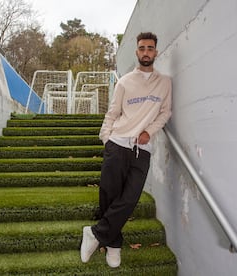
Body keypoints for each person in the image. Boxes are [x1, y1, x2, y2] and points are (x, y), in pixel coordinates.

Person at [80, 32, 172, 268]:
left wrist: (148, 132)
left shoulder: (165, 83)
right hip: (118, 144)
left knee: (130, 199)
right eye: (142, 48)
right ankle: (113, 245)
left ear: (156, 52)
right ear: (137, 52)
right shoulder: (124, 82)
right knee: (109, 196)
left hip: (143, 149)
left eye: (150, 48)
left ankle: (94, 233)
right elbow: (112, 113)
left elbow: (166, 113)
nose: (146, 52)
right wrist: (106, 140)